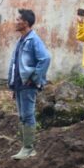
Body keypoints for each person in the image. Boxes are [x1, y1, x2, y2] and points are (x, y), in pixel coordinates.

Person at [7, 8, 51, 159]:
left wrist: (35, 78)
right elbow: (16, 64)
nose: (16, 22)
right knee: (22, 116)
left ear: (25, 23)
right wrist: (13, 84)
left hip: (28, 84)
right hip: (20, 84)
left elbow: (45, 59)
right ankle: (25, 147)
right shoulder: (21, 40)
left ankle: (29, 148)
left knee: (28, 114)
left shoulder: (33, 40)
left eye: (18, 20)